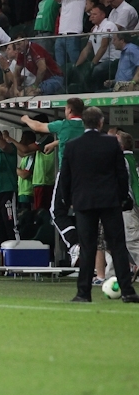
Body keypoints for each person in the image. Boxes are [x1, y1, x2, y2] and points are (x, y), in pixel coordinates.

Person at [59, 107, 139, 303]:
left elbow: (65, 178)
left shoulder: (72, 146)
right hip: (109, 202)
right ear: (101, 122)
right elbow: (121, 174)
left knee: (88, 247)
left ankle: (83, 293)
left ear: (85, 123)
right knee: (118, 246)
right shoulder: (111, 143)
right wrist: (123, 198)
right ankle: (127, 292)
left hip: (84, 203)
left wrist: (67, 199)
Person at [22, 98, 85, 265]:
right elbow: (73, 138)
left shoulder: (64, 124)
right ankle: (88, 249)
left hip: (67, 173)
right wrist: (57, 143)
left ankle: (74, 244)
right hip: (85, 176)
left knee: (56, 211)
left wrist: (26, 119)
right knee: (84, 212)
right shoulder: (86, 127)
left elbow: (38, 127)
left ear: (69, 111)